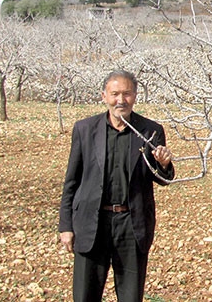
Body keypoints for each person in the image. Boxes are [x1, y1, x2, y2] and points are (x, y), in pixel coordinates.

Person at [58, 70, 175, 302]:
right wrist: (66, 226)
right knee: (84, 295)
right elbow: (72, 180)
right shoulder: (84, 129)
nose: (121, 100)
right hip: (92, 224)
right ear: (104, 96)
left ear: (135, 96)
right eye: (115, 94)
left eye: (127, 94)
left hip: (132, 226)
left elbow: (162, 179)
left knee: (131, 296)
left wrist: (164, 164)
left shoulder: (150, 131)